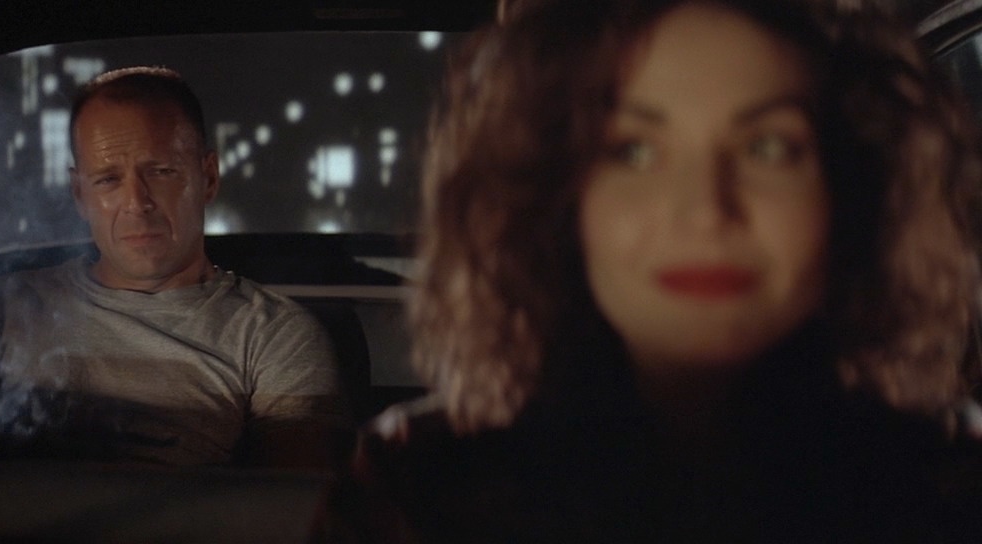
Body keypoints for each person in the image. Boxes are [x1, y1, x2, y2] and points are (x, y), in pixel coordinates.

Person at [352, 0, 982, 540]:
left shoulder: (953, 483)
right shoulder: (420, 484)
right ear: (555, 198)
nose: (705, 211)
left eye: (767, 148)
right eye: (633, 151)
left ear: (853, 187)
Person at [0, 67, 347, 469]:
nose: (137, 202)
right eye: (108, 180)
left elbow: (289, 504)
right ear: (79, 194)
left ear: (207, 178)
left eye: (161, 172)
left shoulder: (274, 337)